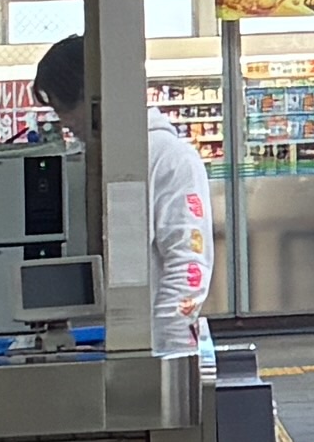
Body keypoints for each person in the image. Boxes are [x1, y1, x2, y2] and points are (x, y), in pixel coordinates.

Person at [35, 30, 213, 369]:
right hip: (123, 345)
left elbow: (187, 264)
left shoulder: (169, 157)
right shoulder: (105, 157)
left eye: (65, 108)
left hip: (153, 349)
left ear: (92, 95)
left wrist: (168, 357)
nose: (65, 122)